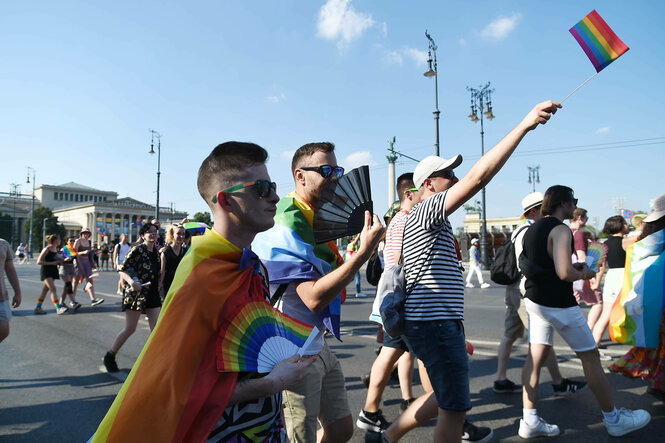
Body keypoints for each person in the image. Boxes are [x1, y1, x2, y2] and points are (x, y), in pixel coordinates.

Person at [91, 142, 314, 442]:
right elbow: (178, 390)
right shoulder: (201, 276)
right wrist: (271, 383)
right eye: (261, 188)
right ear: (227, 200)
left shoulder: (251, 265)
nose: (275, 196)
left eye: (272, 186)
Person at [372, 101, 561, 443]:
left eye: (455, 173)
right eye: (448, 175)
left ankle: (385, 437)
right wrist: (524, 126)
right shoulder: (425, 211)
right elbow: (478, 177)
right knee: (455, 407)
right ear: (427, 185)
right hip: (436, 323)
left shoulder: (429, 219)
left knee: (443, 398)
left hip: (433, 322)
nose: (456, 179)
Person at [253, 142, 384, 443]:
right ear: (300, 176)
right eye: (326, 171)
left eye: (337, 170)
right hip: (293, 351)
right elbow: (312, 297)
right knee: (301, 438)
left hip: (317, 342)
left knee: (341, 429)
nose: (336, 177)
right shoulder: (286, 222)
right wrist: (362, 253)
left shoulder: (313, 216)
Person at [519, 185, 650, 438]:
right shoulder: (560, 229)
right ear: (564, 202)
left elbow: (545, 263)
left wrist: (572, 266)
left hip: (535, 300)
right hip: (559, 303)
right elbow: (564, 273)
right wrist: (585, 273)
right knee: (590, 357)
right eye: (573, 201)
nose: (574, 206)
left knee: (534, 359)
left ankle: (529, 419)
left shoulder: (533, 228)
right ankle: (613, 419)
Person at [358, 173, 436, 434]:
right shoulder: (407, 220)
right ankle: (443, 405)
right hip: (404, 295)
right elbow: (406, 259)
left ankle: (370, 411)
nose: (425, 196)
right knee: (425, 354)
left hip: (393, 294)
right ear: (409, 194)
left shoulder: (397, 221)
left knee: (391, 352)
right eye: (421, 190)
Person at [494, 192, 587, 394]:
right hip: (525, 290)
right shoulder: (529, 231)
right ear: (534, 211)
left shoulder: (520, 230)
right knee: (541, 341)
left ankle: (501, 379)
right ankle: (558, 382)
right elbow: (527, 265)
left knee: (510, 336)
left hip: (514, 290)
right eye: (543, 208)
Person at [610, 193, 665, 402]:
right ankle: (658, 383)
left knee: (658, 344)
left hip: (653, 304)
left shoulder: (641, 244)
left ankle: (656, 383)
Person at [103, 222, 162, 372]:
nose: (153, 234)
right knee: (130, 328)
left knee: (156, 330)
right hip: (136, 293)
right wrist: (131, 282)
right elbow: (122, 269)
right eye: (149, 232)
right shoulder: (137, 250)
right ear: (142, 235)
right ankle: (110, 355)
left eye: (155, 231)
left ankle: (154, 361)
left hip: (153, 294)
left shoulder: (156, 252)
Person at [591, 216, 630, 359]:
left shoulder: (605, 244)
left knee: (606, 313)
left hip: (611, 278)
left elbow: (600, 268)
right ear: (619, 226)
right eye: (625, 223)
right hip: (623, 277)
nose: (627, 225)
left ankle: (594, 345)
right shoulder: (626, 242)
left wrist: (596, 282)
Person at [570, 208, 604, 335]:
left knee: (575, 304)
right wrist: (591, 277)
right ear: (580, 217)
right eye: (586, 218)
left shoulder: (565, 231)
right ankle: (587, 333)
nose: (586, 220)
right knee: (598, 302)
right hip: (581, 273)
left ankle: (580, 334)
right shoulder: (578, 234)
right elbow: (582, 257)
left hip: (571, 273)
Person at [35, 234, 67, 315]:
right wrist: (53, 263)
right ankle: (58, 308)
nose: (60, 241)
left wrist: (61, 262)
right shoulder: (47, 249)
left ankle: (38, 307)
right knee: (53, 288)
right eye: (59, 239)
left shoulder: (56, 249)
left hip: (53, 270)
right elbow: (39, 261)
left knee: (45, 290)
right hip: (46, 271)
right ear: (55, 240)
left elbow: (56, 259)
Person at [74, 228, 104, 306]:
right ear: (81, 234)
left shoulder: (89, 242)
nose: (86, 235)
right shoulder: (78, 241)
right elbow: (73, 253)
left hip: (87, 261)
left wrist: (92, 263)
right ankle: (73, 299)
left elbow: (90, 254)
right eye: (84, 233)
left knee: (90, 280)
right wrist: (82, 252)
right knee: (76, 281)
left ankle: (93, 299)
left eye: (87, 233)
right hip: (79, 261)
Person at [1, 238, 21, 343]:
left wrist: (17, 293)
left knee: (4, 330)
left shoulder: (3, 244)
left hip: (1, 296)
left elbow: (10, 269)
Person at [159, 223, 187, 297]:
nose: (181, 236)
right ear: (172, 235)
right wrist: (159, 286)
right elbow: (162, 273)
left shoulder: (186, 251)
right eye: (178, 234)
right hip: (169, 286)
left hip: (182, 286)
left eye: (183, 234)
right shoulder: (165, 252)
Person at [59, 236, 81, 311]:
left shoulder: (73, 250)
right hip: (64, 268)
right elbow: (59, 260)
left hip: (71, 268)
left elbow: (78, 261)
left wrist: (82, 271)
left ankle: (61, 302)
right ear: (67, 242)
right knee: (69, 285)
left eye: (73, 241)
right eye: (70, 240)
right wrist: (65, 259)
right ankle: (73, 301)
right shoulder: (64, 249)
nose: (72, 242)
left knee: (67, 286)